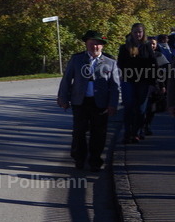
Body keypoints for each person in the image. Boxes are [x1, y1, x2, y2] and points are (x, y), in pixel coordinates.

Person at [57, 30, 121, 170]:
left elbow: (115, 87)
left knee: (98, 133)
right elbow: (67, 79)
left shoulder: (110, 62)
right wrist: (63, 98)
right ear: (86, 44)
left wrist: (113, 104)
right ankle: (79, 158)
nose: (95, 46)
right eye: (92, 43)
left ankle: (95, 160)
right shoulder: (77, 59)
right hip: (80, 102)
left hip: (100, 104)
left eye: (98, 44)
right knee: (79, 132)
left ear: (102, 46)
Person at [117, 22, 156, 143]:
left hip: (143, 81)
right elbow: (120, 64)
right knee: (128, 106)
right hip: (129, 81)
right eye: (135, 32)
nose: (138, 34)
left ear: (143, 33)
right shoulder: (125, 47)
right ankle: (127, 132)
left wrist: (152, 83)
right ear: (132, 33)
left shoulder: (147, 46)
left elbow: (153, 64)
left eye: (140, 32)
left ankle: (136, 132)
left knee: (141, 109)